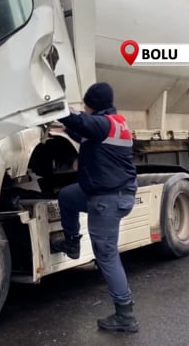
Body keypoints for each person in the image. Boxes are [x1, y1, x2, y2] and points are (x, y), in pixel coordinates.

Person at [50, 82, 139, 333]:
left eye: (87, 104)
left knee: (106, 256)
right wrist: (65, 129)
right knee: (67, 197)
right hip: (111, 193)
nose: (85, 108)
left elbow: (82, 123)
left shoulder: (101, 124)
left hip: (107, 198)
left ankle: (125, 314)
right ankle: (72, 243)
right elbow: (83, 132)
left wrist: (53, 107)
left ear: (93, 104)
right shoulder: (115, 123)